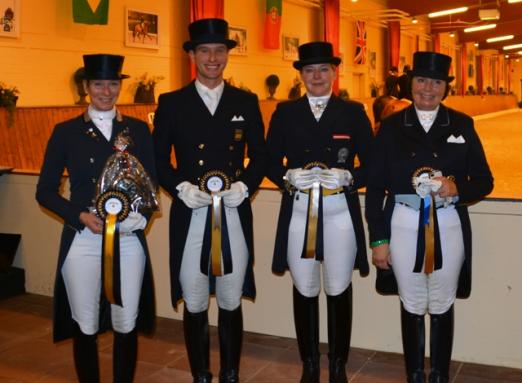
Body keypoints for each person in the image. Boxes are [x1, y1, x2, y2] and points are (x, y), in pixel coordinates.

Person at [365, 52, 493, 383]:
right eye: (422, 80)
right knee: (411, 301)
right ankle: (415, 376)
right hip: (404, 224)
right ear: (410, 84)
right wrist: (379, 240)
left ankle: (439, 375)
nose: (428, 88)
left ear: (445, 87)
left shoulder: (462, 124)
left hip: (447, 225)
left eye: (436, 82)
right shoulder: (392, 127)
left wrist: (456, 188)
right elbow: (376, 187)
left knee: (441, 300)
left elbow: (484, 180)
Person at [152, 18, 267, 383]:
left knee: (231, 296)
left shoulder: (245, 102)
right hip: (192, 212)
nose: (213, 58)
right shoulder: (171, 103)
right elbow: (158, 160)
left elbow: (261, 156)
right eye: (205, 51)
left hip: (231, 212)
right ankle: (201, 374)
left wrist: (245, 187)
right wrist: (180, 188)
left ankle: (230, 373)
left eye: (220, 50)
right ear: (192, 55)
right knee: (195, 295)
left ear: (228, 55)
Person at [36, 54, 157, 383]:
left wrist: (140, 217)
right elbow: (45, 191)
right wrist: (78, 216)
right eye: (99, 84)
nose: (107, 91)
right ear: (86, 87)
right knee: (85, 324)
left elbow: (151, 185)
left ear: (120, 86)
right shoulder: (66, 132)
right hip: (83, 238)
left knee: (126, 320)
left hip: (128, 238)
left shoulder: (138, 130)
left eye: (113, 84)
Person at [266, 41, 372, 383]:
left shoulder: (353, 112)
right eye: (309, 70)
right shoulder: (285, 112)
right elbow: (268, 160)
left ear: (334, 72)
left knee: (339, 287)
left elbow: (374, 165)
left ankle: (338, 362)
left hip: (339, 210)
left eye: (323, 69)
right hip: (299, 211)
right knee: (305, 286)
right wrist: (286, 175)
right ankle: (309, 362)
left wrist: (351, 176)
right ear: (300, 74)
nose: (317, 76)